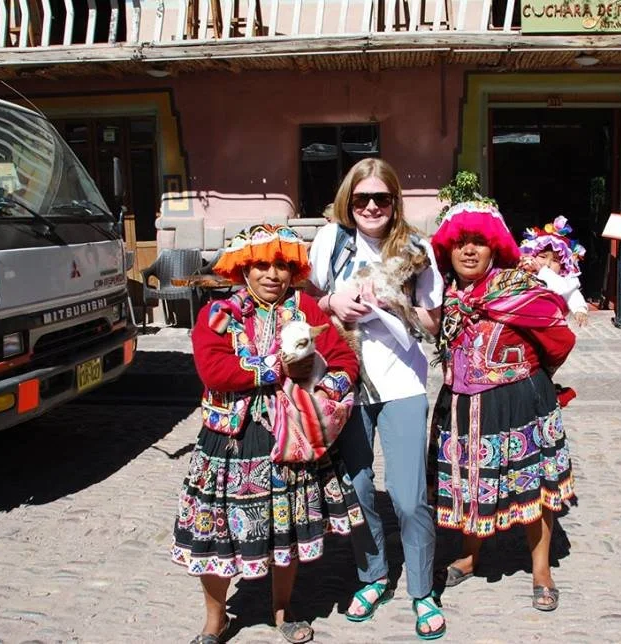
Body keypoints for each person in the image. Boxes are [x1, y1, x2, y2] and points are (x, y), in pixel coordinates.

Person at [171, 224, 365, 644]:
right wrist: (277, 368)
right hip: (231, 440)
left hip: (288, 440)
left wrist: (326, 393)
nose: (272, 274)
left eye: (281, 265)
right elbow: (213, 369)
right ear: (244, 269)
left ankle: (282, 610)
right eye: (261, 265)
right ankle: (215, 618)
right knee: (216, 533)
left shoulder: (306, 310)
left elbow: (343, 358)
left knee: (284, 529)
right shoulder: (220, 314)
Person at [307, 158, 447, 640]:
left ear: (394, 202)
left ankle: (423, 590)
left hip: (403, 383)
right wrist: (331, 304)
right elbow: (305, 300)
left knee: (408, 499)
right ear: (349, 199)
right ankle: (372, 576)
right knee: (358, 489)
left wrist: (393, 302)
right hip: (345, 381)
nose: (370, 207)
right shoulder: (331, 241)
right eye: (362, 198)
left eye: (380, 199)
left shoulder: (414, 248)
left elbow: (433, 322)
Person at [429, 202, 577, 612]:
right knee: (470, 482)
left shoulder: (518, 289)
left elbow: (559, 337)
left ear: (495, 248)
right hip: (460, 403)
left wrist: (530, 376)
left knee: (533, 486)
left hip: (518, 402)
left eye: (479, 242)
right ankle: (471, 555)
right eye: (460, 243)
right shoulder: (443, 294)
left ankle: (542, 568)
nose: (469, 251)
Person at [517, 216, 590, 327]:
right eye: (542, 256)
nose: (547, 264)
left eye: (555, 261)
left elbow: (572, 294)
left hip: (549, 324)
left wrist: (580, 309)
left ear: (563, 265)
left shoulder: (564, 281)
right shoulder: (522, 273)